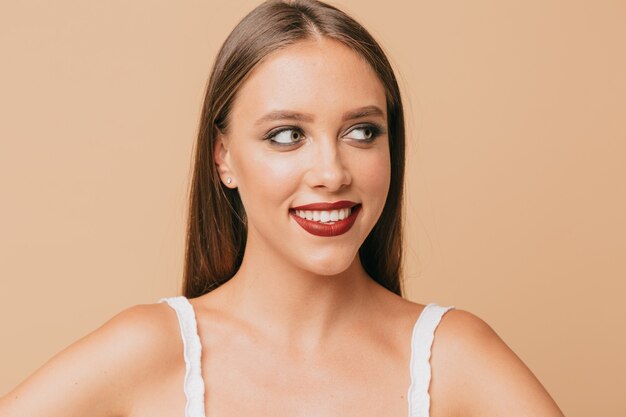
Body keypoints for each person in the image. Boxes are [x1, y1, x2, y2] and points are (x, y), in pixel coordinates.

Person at [0, 1, 565, 416]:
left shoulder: (456, 359)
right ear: (223, 158)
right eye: (287, 135)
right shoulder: (149, 350)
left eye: (362, 131)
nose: (331, 172)